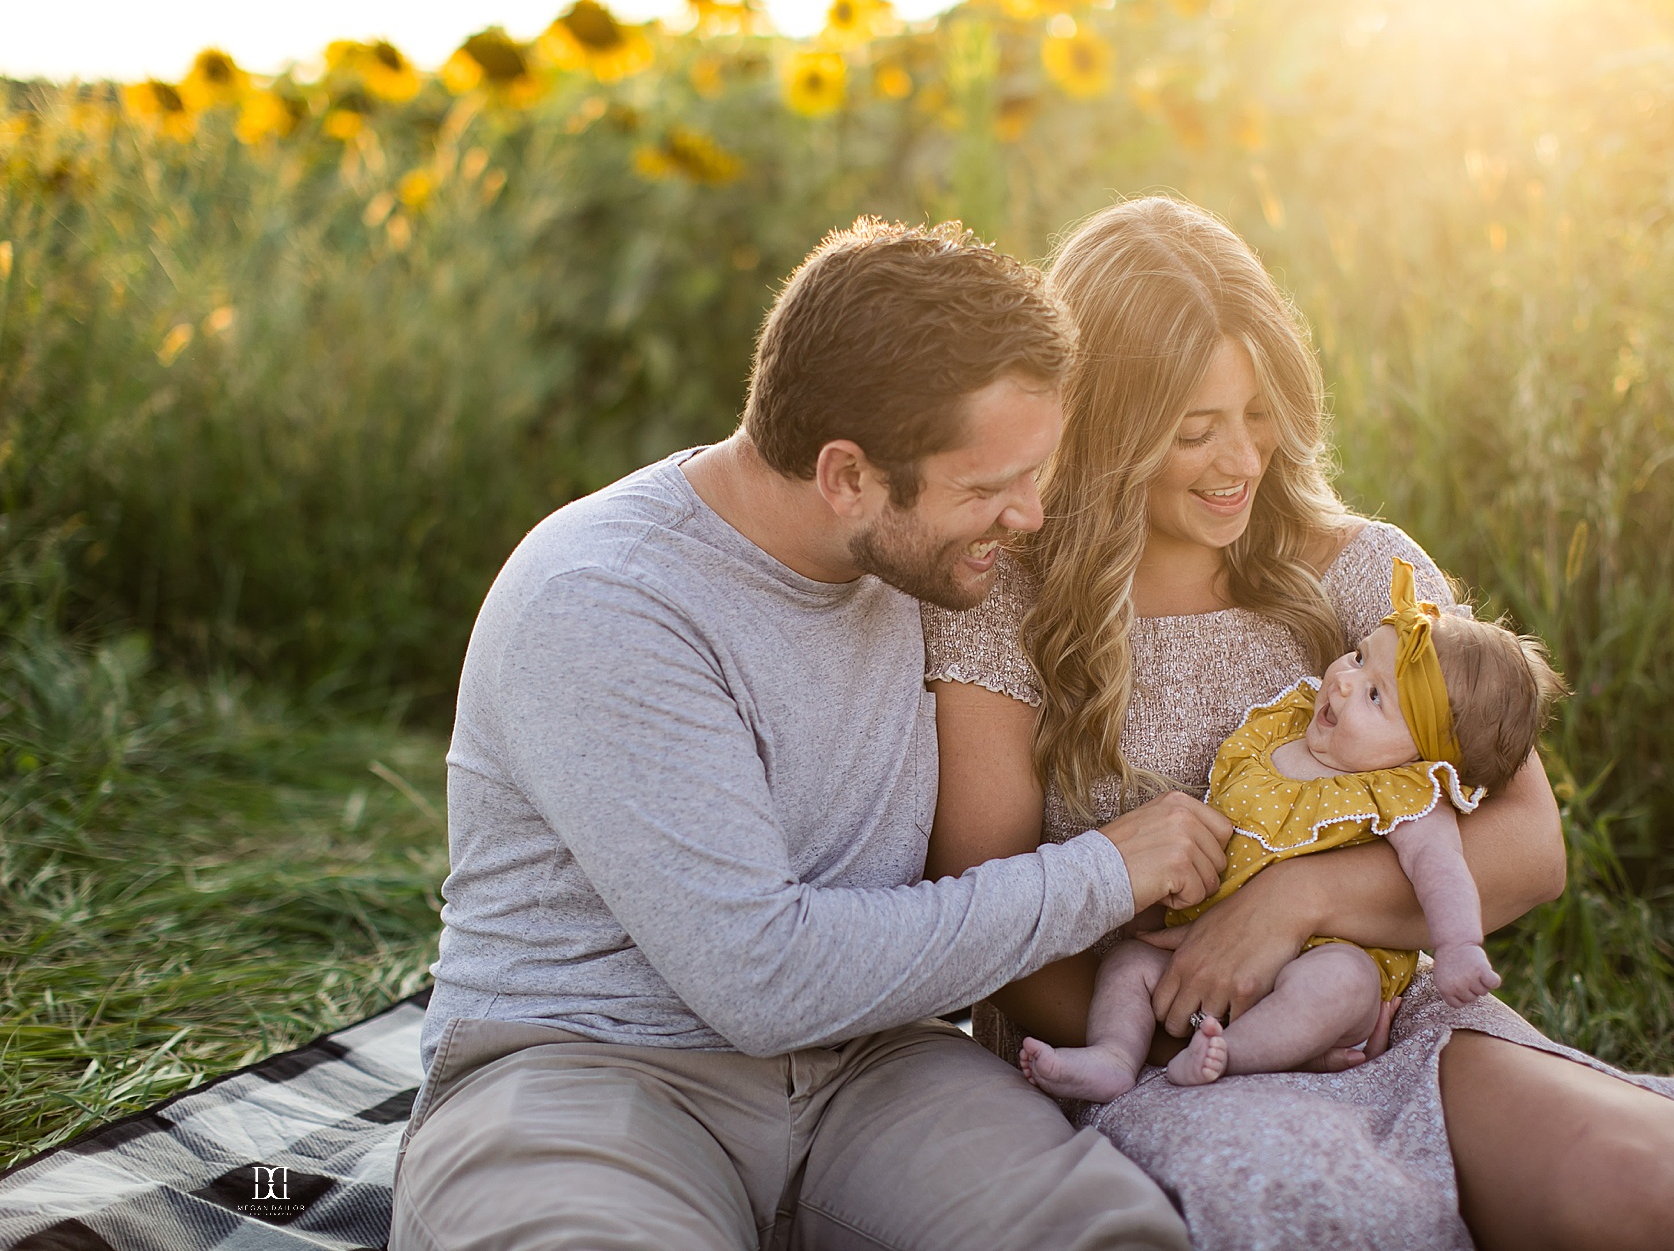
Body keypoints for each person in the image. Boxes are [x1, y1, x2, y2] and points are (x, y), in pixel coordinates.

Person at [923, 195, 1674, 1251]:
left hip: (1388, 1022)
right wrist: (1196, 1024)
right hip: (1142, 1050)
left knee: (1655, 1189)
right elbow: (992, 921)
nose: (1239, 460)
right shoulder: (1007, 605)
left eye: (1260, 413)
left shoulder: (1362, 570)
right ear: (1105, 427)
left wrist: (1297, 897)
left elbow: (1529, 845)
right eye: (1192, 429)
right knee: (1340, 1219)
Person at [390, 217, 1232, 1251]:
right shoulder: (607, 601)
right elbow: (762, 978)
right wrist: (1102, 872)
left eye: (1036, 472)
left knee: (1108, 1234)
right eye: (985, 487)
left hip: (874, 1066)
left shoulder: (930, 560)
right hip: (591, 1063)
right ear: (845, 476)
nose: (1029, 517)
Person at [1021, 559, 1564, 1101]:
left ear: (1427, 754)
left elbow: (1443, 871)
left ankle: (1231, 1056)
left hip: (1322, 953)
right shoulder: (1282, 730)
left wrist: (1461, 947)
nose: (1346, 683)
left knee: (1342, 985)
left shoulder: (1406, 794)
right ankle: (1114, 1057)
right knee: (1129, 964)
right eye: (1357, 657)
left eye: (1376, 696)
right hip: (1209, 945)